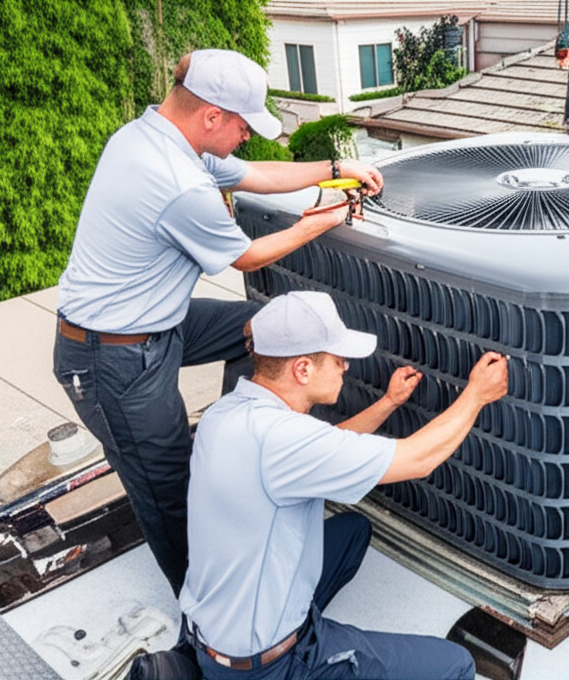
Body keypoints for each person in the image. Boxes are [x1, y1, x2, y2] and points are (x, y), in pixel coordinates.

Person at [52, 48, 384, 599]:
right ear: (211, 116)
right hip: (113, 359)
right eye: (243, 125)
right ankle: (208, 619)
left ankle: (238, 439)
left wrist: (335, 171)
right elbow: (249, 256)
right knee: (171, 495)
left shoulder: (153, 135)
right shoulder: (176, 181)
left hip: (156, 325)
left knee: (263, 327)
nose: (248, 136)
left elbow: (256, 174)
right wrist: (327, 219)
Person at [178, 291, 509, 679]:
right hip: (268, 664)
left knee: (354, 531)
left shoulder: (228, 413)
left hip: (212, 629)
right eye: (337, 359)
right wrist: (476, 395)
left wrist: (388, 402)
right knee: (455, 665)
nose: (346, 367)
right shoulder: (281, 441)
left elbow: (322, 449)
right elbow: (419, 459)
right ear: (302, 369)